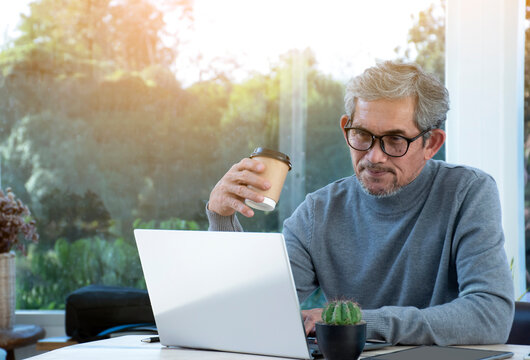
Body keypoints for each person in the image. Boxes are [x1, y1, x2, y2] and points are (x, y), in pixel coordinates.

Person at [206, 60, 514, 345]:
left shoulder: (467, 193)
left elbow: (490, 315)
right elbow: (253, 307)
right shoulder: (319, 211)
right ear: (346, 129)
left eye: (395, 139)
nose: (374, 156)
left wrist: (356, 322)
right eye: (362, 134)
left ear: (430, 144)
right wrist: (221, 217)